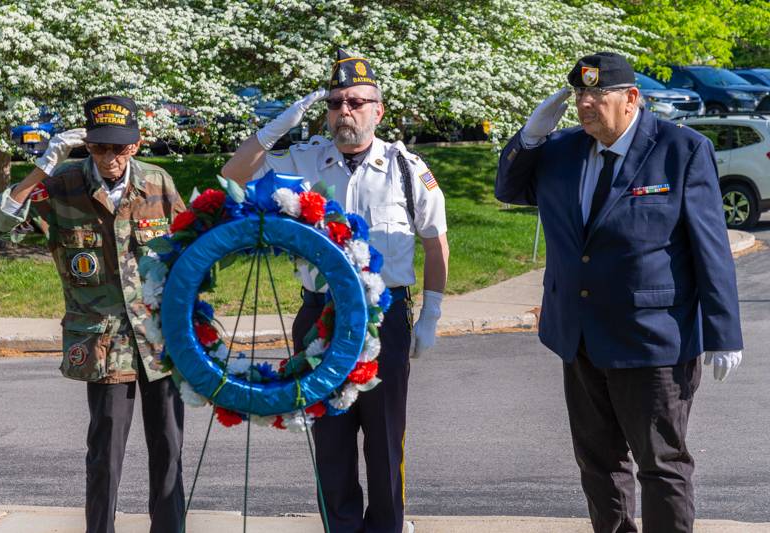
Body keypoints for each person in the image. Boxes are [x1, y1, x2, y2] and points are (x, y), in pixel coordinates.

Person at [495, 52, 743, 533]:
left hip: (652, 340)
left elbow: (710, 246)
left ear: (631, 98)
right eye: (580, 95)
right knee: (598, 465)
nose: (585, 104)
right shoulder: (562, 150)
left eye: (596, 94)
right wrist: (529, 138)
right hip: (580, 336)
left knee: (661, 465)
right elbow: (510, 188)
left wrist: (724, 331)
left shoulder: (679, 149)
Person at [221, 48, 449, 533]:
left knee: (386, 435)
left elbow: (435, 244)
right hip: (320, 313)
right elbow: (231, 178)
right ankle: (340, 526)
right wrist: (269, 132)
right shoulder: (303, 161)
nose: (345, 111)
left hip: (383, 316)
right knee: (331, 435)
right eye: (336, 102)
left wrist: (431, 314)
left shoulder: (408, 169)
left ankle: (388, 525)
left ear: (378, 110)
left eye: (357, 102)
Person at [0, 96, 186, 533]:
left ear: (136, 145)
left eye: (120, 148)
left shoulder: (157, 182)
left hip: (159, 339)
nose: (110, 158)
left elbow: (193, 252)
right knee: (104, 454)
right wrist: (43, 166)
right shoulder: (62, 184)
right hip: (104, 341)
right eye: (99, 148)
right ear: (85, 145)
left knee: (169, 448)